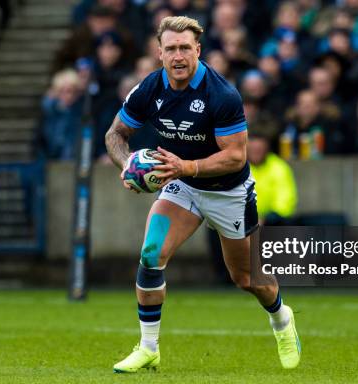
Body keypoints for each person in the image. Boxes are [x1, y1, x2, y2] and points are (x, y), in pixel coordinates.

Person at [105, 16, 301, 373]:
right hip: (181, 187)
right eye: (170, 49)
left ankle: (282, 320)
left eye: (184, 48)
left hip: (229, 193)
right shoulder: (150, 88)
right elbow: (115, 134)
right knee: (151, 253)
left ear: (197, 50)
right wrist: (127, 165)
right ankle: (149, 347)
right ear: (159, 53)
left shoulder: (221, 94)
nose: (177, 56)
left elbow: (235, 156)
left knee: (246, 279)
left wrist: (187, 167)